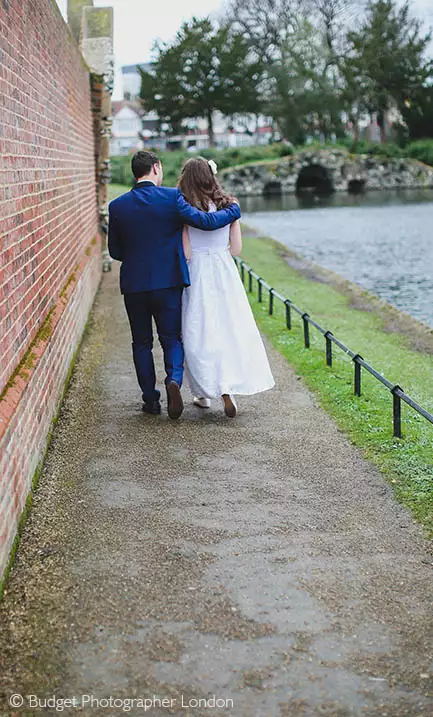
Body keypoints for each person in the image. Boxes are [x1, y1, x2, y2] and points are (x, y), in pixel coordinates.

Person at [108, 151, 241, 420]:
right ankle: (174, 381)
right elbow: (205, 221)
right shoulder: (171, 198)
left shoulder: (117, 206)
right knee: (171, 337)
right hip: (167, 282)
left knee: (141, 343)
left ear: (135, 173)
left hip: (134, 285)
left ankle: (150, 400)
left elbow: (115, 252)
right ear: (156, 168)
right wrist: (234, 211)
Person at [179, 157, 275, 417]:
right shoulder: (229, 205)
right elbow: (236, 249)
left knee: (198, 329)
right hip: (223, 271)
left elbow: (186, 252)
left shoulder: (185, 208)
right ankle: (227, 387)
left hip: (197, 271)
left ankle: (203, 393)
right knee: (228, 327)